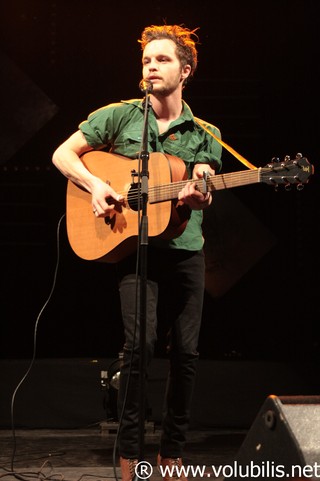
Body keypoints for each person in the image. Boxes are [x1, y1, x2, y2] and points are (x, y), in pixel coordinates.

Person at [52, 24, 222, 481]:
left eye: (162, 60)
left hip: (186, 249)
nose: (151, 67)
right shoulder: (120, 116)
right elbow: (63, 155)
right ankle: (132, 457)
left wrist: (201, 194)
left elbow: (205, 180)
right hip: (134, 249)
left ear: (185, 70)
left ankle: (172, 455)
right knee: (139, 348)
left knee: (186, 354)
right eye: (147, 60)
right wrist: (96, 184)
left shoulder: (206, 133)